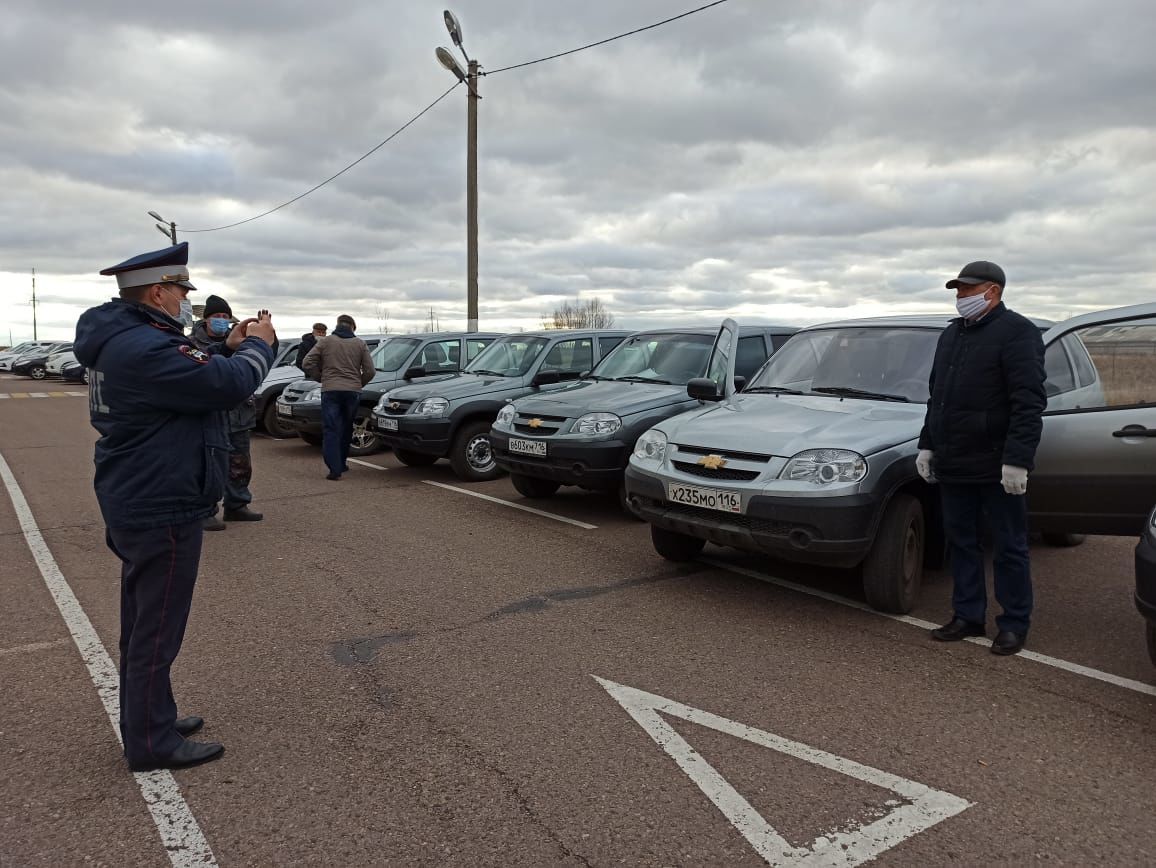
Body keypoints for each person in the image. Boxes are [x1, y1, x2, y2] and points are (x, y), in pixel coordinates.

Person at [73, 242, 276, 771]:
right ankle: (150, 741)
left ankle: (151, 718)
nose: (186, 300)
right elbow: (224, 385)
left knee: (145, 622)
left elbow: (197, 378)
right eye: (181, 291)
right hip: (159, 500)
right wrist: (258, 347)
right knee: (156, 629)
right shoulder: (143, 346)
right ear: (158, 291)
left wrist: (226, 348)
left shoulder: (126, 339)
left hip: (142, 492)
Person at [917, 260, 1046, 657]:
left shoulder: (1018, 333)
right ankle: (968, 615)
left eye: (967, 291)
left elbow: (1028, 402)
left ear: (992, 291)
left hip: (996, 463)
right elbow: (937, 396)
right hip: (954, 461)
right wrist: (928, 444)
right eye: (957, 291)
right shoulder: (952, 335)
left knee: (1009, 546)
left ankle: (1013, 623)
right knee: (962, 543)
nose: (960, 298)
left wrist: (1017, 460)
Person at [190, 295, 265, 528]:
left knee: (240, 462)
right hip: (210, 414)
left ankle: (237, 505)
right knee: (209, 464)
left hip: (239, 412)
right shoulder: (192, 343)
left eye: (225, 317)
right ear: (206, 319)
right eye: (216, 316)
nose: (221, 320)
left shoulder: (241, 341)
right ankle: (205, 510)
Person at [302, 314, 374, 480]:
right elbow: (370, 371)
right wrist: (358, 383)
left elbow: (307, 362)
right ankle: (342, 462)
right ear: (352, 327)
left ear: (337, 325)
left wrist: (319, 377)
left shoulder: (326, 342)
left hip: (331, 390)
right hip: (352, 392)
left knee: (331, 429)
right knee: (347, 427)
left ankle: (334, 469)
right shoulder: (360, 343)